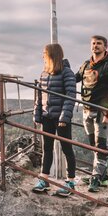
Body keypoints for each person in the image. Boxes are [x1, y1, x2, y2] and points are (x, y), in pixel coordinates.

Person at [75, 35, 108, 193]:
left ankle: (96, 177)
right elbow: (74, 78)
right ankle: (102, 177)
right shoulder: (86, 65)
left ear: (105, 46)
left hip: (102, 112)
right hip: (86, 111)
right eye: (93, 43)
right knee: (93, 145)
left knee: (101, 146)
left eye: (99, 44)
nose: (95, 46)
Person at [32, 43, 77, 196]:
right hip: (47, 117)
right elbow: (40, 97)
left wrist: (64, 117)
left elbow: (70, 96)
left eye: (44, 53)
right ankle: (44, 179)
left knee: (67, 149)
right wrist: (37, 115)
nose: (42, 56)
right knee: (47, 149)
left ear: (52, 55)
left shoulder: (67, 73)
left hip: (61, 118)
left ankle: (70, 182)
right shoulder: (44, 74)